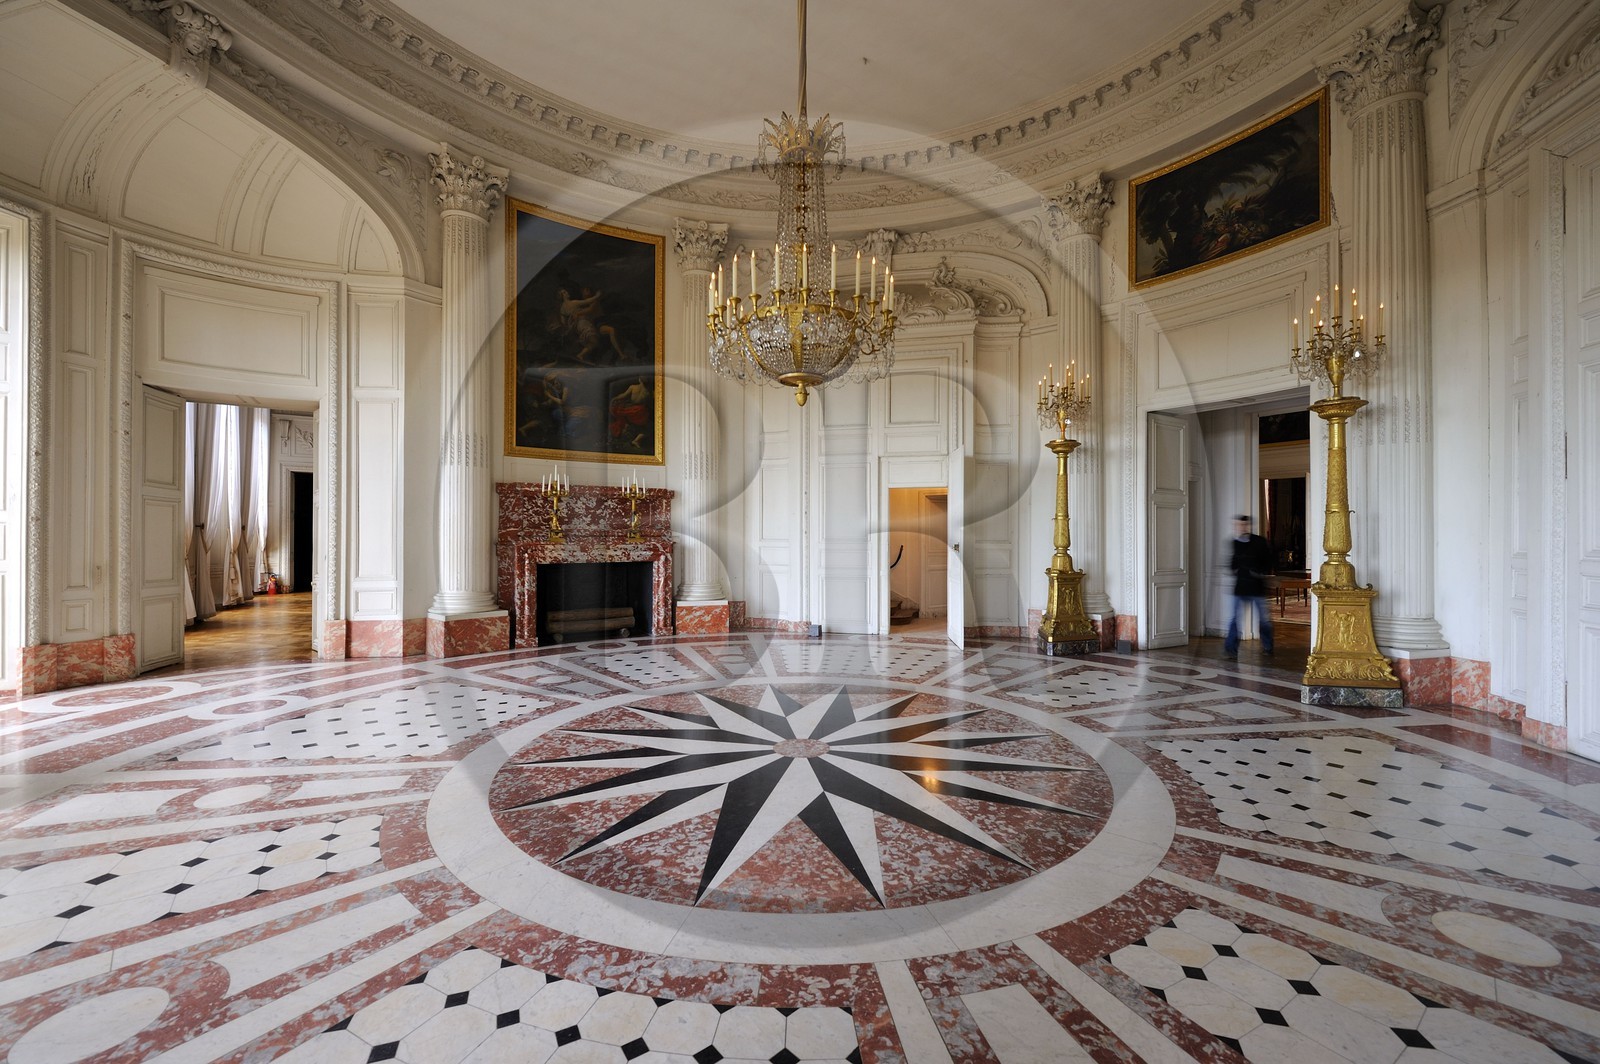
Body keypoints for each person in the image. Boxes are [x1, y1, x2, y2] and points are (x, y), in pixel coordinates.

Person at [1224, 514, 1274, 659]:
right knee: (1234, 619)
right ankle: (1231, 649)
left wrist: (1258, 573)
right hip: (1240, 587)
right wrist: (1234, 569)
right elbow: (1232, 563)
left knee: (1264, 620)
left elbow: (1268, 561)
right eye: (1238, 525)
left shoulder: (1259, 542)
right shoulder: (1234, 543)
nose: (1240, 528)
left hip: (1257, 587)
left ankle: (1268, 646)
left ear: (1248, 526)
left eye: (1243, 525)